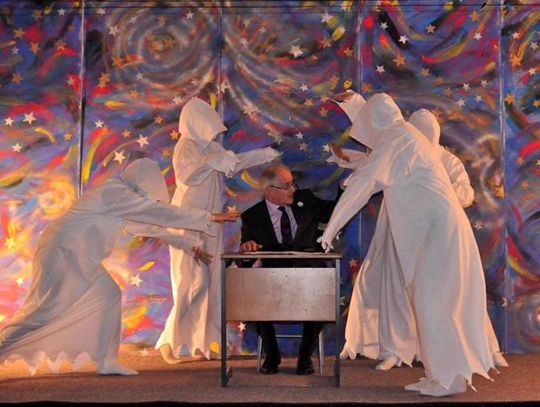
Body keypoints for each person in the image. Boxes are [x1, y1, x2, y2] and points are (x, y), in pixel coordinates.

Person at [321, 93, 495, 396]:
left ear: (377, 121)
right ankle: (440, 374)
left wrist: (330, 229)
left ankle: (449, 378)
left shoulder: (398, 139)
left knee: (434, 303)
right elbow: (369, 164)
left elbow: (364, 184)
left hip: (438, 234)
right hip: (434, 234)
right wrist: (355, 105)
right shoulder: (403, 137)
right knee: (430, 302)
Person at [0, 158, 237, 376]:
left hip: (80, 257)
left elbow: (150, 226)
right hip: (62, 252)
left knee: (108, 294)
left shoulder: (122, 199)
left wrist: (190, 246)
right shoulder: (114, 193)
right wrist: (208, 217)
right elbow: (156, 213)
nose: (152, 197)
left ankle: (106, 361)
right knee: (43, 310)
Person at [155, 97, 279, 364]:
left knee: (209, 283)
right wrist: (214, 160)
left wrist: (264, 155)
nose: (212, 132)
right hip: (188, 222)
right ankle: (169, 340)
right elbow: (188, 176)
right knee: (191, 283)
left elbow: (232, 163)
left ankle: (202, 342)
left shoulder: (210, 147)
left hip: (212, 221)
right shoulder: (185, 146)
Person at [239, 163, 341, 375]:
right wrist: (247, 249)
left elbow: (335, 211)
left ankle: (304, 358)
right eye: (286, 186)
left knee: (321, 297)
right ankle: (272, 356)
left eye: (292, 183)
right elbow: (245, 259)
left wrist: (345, 188)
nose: (293, 189)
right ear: (269, 191)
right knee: (254, 299)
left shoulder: (306, 199)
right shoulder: (252, 216)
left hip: (309, 274)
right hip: (273, 280)